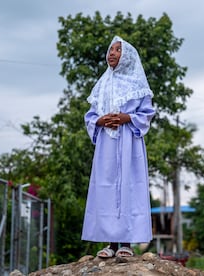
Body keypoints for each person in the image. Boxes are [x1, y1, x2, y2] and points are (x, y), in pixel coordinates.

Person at [82, 36, 155, 258]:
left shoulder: (138, 85)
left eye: (117, 50)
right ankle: (111, 244)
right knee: (106, 187)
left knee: (128, 186)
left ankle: (126, 243)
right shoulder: (102, 84)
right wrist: (100, 121)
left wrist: (126, 117)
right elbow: (90, 115)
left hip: (129, 144)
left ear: (127, 57)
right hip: (106, 143)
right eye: (110, 49)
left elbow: (147, 114)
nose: (111, 53)